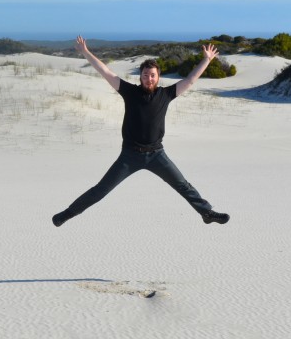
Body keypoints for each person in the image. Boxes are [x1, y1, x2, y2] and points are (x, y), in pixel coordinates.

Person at [52, 35, 230, 227]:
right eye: (145, 75)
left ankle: (207, 213)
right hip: (129, 156)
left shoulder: (166, 94)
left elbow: (190, 80)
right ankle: (68, 213)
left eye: (152, 75)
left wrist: (207, 59)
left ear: (158, 77)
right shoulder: (130, 92)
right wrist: (85, 52)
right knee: (101, 189)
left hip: (157, 155)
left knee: (183, 185)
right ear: (141, 76)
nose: (149, 78)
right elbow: (105, 71)